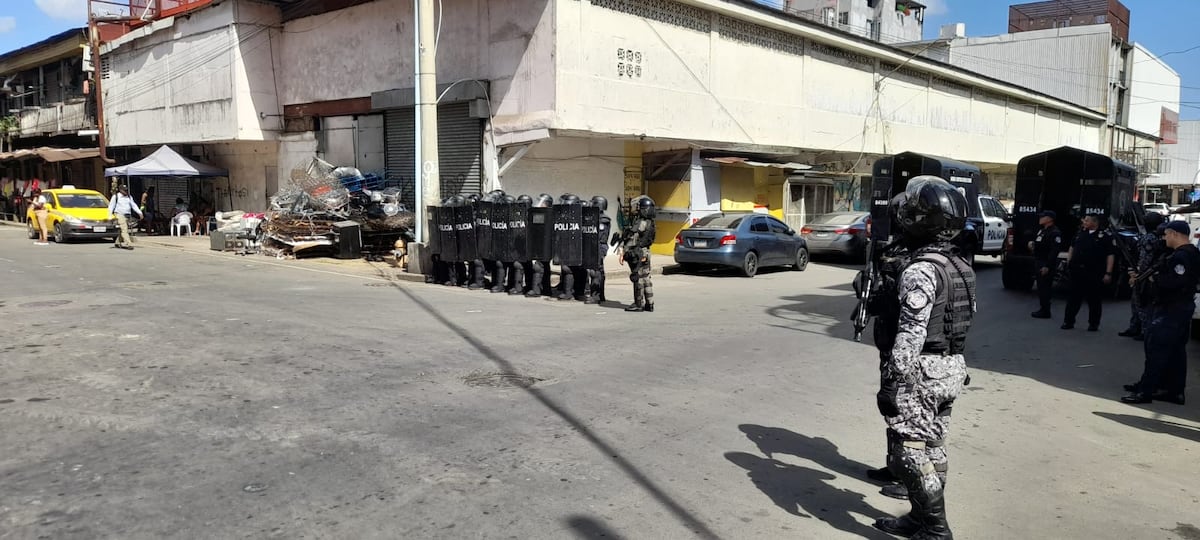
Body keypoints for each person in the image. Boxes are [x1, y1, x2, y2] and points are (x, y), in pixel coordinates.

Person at [872, 176, 976, 540]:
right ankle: (918, 518)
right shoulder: (959, 264)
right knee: (933, 443)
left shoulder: (921, 269)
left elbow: (912, 331)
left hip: (923, 374)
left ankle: (935, 529)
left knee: (907, 451)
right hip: (951, 368)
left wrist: (892, 381)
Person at [1121, 220, 1199, 405]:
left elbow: (1174, 283)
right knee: (1176, 352)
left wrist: (1152, 279)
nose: (1164, 238)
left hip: (1171, 309)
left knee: (1157, 350)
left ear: (1174, 233)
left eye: (1166, 234)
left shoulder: (1181, 256)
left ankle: (1145, 391)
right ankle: (1173, 391)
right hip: (1180, 307)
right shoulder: (1189, 253)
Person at [1061, 214, 1114, 331]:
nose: (1084, 222)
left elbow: (1110, 255)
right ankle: (1068, 321)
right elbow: (1072, 247)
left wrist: (1108, 273)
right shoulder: (1080, 233)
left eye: (1087, 220)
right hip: (1077, 271)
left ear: (1094, 222)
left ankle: (1093, 323)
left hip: (1093, 272)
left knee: (1094, 299)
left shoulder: (1104, 236)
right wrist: (1069, 261)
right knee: (1073, 298)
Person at [1120, 212, 1165, 339]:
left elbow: (1145, 258)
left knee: (1141, 303)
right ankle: (1135, 327)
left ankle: (1143, 330)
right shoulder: (1157, 236)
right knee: (1137, 302)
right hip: (1149, 273)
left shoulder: (1149, 238)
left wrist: (1138, 273)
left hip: (1145, 275)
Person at [621, 195, 656, 312]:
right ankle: (650, 303)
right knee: (646, 278)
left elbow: (633, 237)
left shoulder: (641, 222)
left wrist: (625, 251)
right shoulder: (651, 223)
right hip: (646, 251)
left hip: (639, 252)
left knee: (637, 277)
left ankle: (638, 303)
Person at [1029, 210, 1063, 319]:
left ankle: (1045, 310)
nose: (1040, 218)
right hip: (1039, 261)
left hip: (1046, 263)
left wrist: (1047, 266)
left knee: (1045, 288)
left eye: (1043, 217)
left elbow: (1054, 251)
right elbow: (1040, 244)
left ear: (1049, 219)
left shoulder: (1054, 233)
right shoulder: (1042, 231)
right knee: (1040, 287)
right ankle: (1043, 308)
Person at [585, 195, 611, 304]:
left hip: (599, 247)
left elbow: (599, 236)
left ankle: (596, 295)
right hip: (595, 246)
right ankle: (601, 295)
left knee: (595, 271)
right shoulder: (595, 218)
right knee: (598, 271)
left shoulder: (603, 220)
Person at [108, 185, 143, 250]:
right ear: (120, 190)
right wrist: (110, 216)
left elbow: (133, 205)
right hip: (119, 214)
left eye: (126, 190)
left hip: (127, 215)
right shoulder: (116, 197)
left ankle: (117, 242)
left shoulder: (129, 197)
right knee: (125, 230)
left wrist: (139, 213)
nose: (126, 191)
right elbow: (111, 207)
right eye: (124, 190)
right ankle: (129, 244)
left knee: (123, 230)